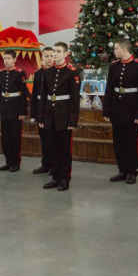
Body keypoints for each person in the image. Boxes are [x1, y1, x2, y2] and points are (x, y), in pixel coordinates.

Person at [103, 38, 138, 185]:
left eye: (116, 48)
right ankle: (122, 170)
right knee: (118, 141)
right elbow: (109, 88)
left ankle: (132, 171)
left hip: (131, 108)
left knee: (131, 141)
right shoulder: (114, 66)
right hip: (116, 107)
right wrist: (106, 110)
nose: (114, 51)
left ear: (124, 49)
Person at [37, 42, 80, 191]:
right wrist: (41, 116)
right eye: (54, 51)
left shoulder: (72, 72)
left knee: (64, 149)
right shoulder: (48, 72)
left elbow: (74, 99)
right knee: (51, 148)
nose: (55, 54)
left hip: (64, 116)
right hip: (50, 115)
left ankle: (64, 178)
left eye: (58, 51)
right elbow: (43, 96)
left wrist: (73, 120)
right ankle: (55, 177)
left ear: (65, 54)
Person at [0, 50, 28, 172]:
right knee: (5, 137)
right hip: (4, 108)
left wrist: (22, 111)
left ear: (14, 60)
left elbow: (23, 93)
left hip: (15, 109)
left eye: (9, 58)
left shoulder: (19, 73)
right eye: (5, 58)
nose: (6, 60)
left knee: (15, 137)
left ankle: (16, 162)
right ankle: (8, 161)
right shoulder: (0, 73)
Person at [30, 47, 55, 175]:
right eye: (46, 56)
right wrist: (33, 114)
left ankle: (53, 166)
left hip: (51, 109)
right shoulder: (38, 73)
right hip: (40, 108)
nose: (49, 58)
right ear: (42, 58)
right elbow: (34, 95)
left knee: (52, 140)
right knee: (44, 139)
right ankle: (45, 164)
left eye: (51, 56)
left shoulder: (56, 72)